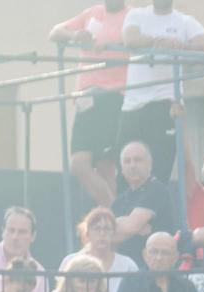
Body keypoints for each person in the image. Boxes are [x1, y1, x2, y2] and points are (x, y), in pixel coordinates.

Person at [119, 1, 204, 182]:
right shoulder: (137, 15)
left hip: (166, 103)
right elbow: (130, 38)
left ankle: (151, 209)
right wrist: (157, 41)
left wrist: (181, 46)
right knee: (124, 169)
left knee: (159, 170)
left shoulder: (184, 21)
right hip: (133, 105)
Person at [50, 1, 132, 207]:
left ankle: (112, 219)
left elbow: (141, 41)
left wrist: (116, 44)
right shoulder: (92, 13)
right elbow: (55, 32)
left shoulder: (132, 16)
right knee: (81, 164)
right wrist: (75, 36)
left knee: (104, 167)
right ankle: (114, 217)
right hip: (86, 97)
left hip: (112, 96)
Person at [109, 141, 178, 267]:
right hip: (124, 270)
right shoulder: (119, 201)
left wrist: (123, 226)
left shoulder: (156, 190)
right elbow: (105, 238)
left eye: (137, 160)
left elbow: (130, 227)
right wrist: (130, 226)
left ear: (149, 165)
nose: (132, 165)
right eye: (127, 161)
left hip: (153, 270)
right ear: (122, 169)